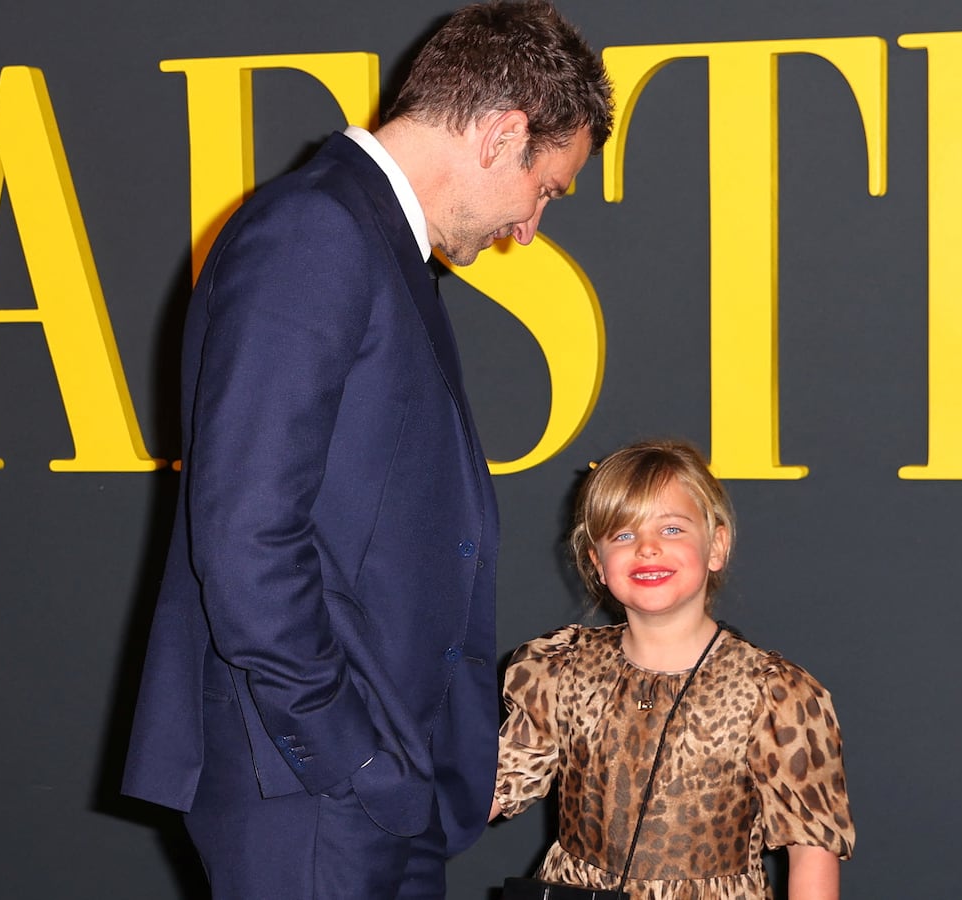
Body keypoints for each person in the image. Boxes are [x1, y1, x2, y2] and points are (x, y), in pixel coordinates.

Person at [120, 2, 613, 897]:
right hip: (310, 790)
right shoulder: (317, 232)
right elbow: (245, 539)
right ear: (503, 134)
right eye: (547, 187)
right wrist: (348, 760)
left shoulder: (369, 240)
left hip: (361, 789)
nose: (530, 227)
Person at [491, 440, 855, 900]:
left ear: (717, 546)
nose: (646, 548)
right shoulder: (560, 669)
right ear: (597, 563)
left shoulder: (775, 693)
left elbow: (811, 851)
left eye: (671, 529)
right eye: (622, 535)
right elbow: (495, 784)